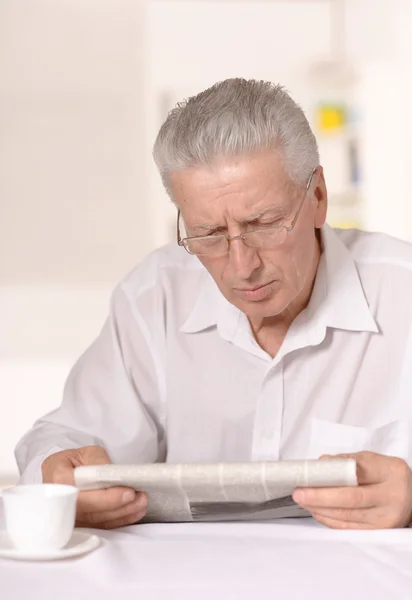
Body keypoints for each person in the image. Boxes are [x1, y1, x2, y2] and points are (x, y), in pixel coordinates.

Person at [15, 78, 412, 531]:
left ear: (318, 197)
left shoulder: (404, 293)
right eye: (208, 234)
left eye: (262, 224)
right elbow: (66, 440)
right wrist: (59, 477)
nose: (241, 267)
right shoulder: (156, 296)